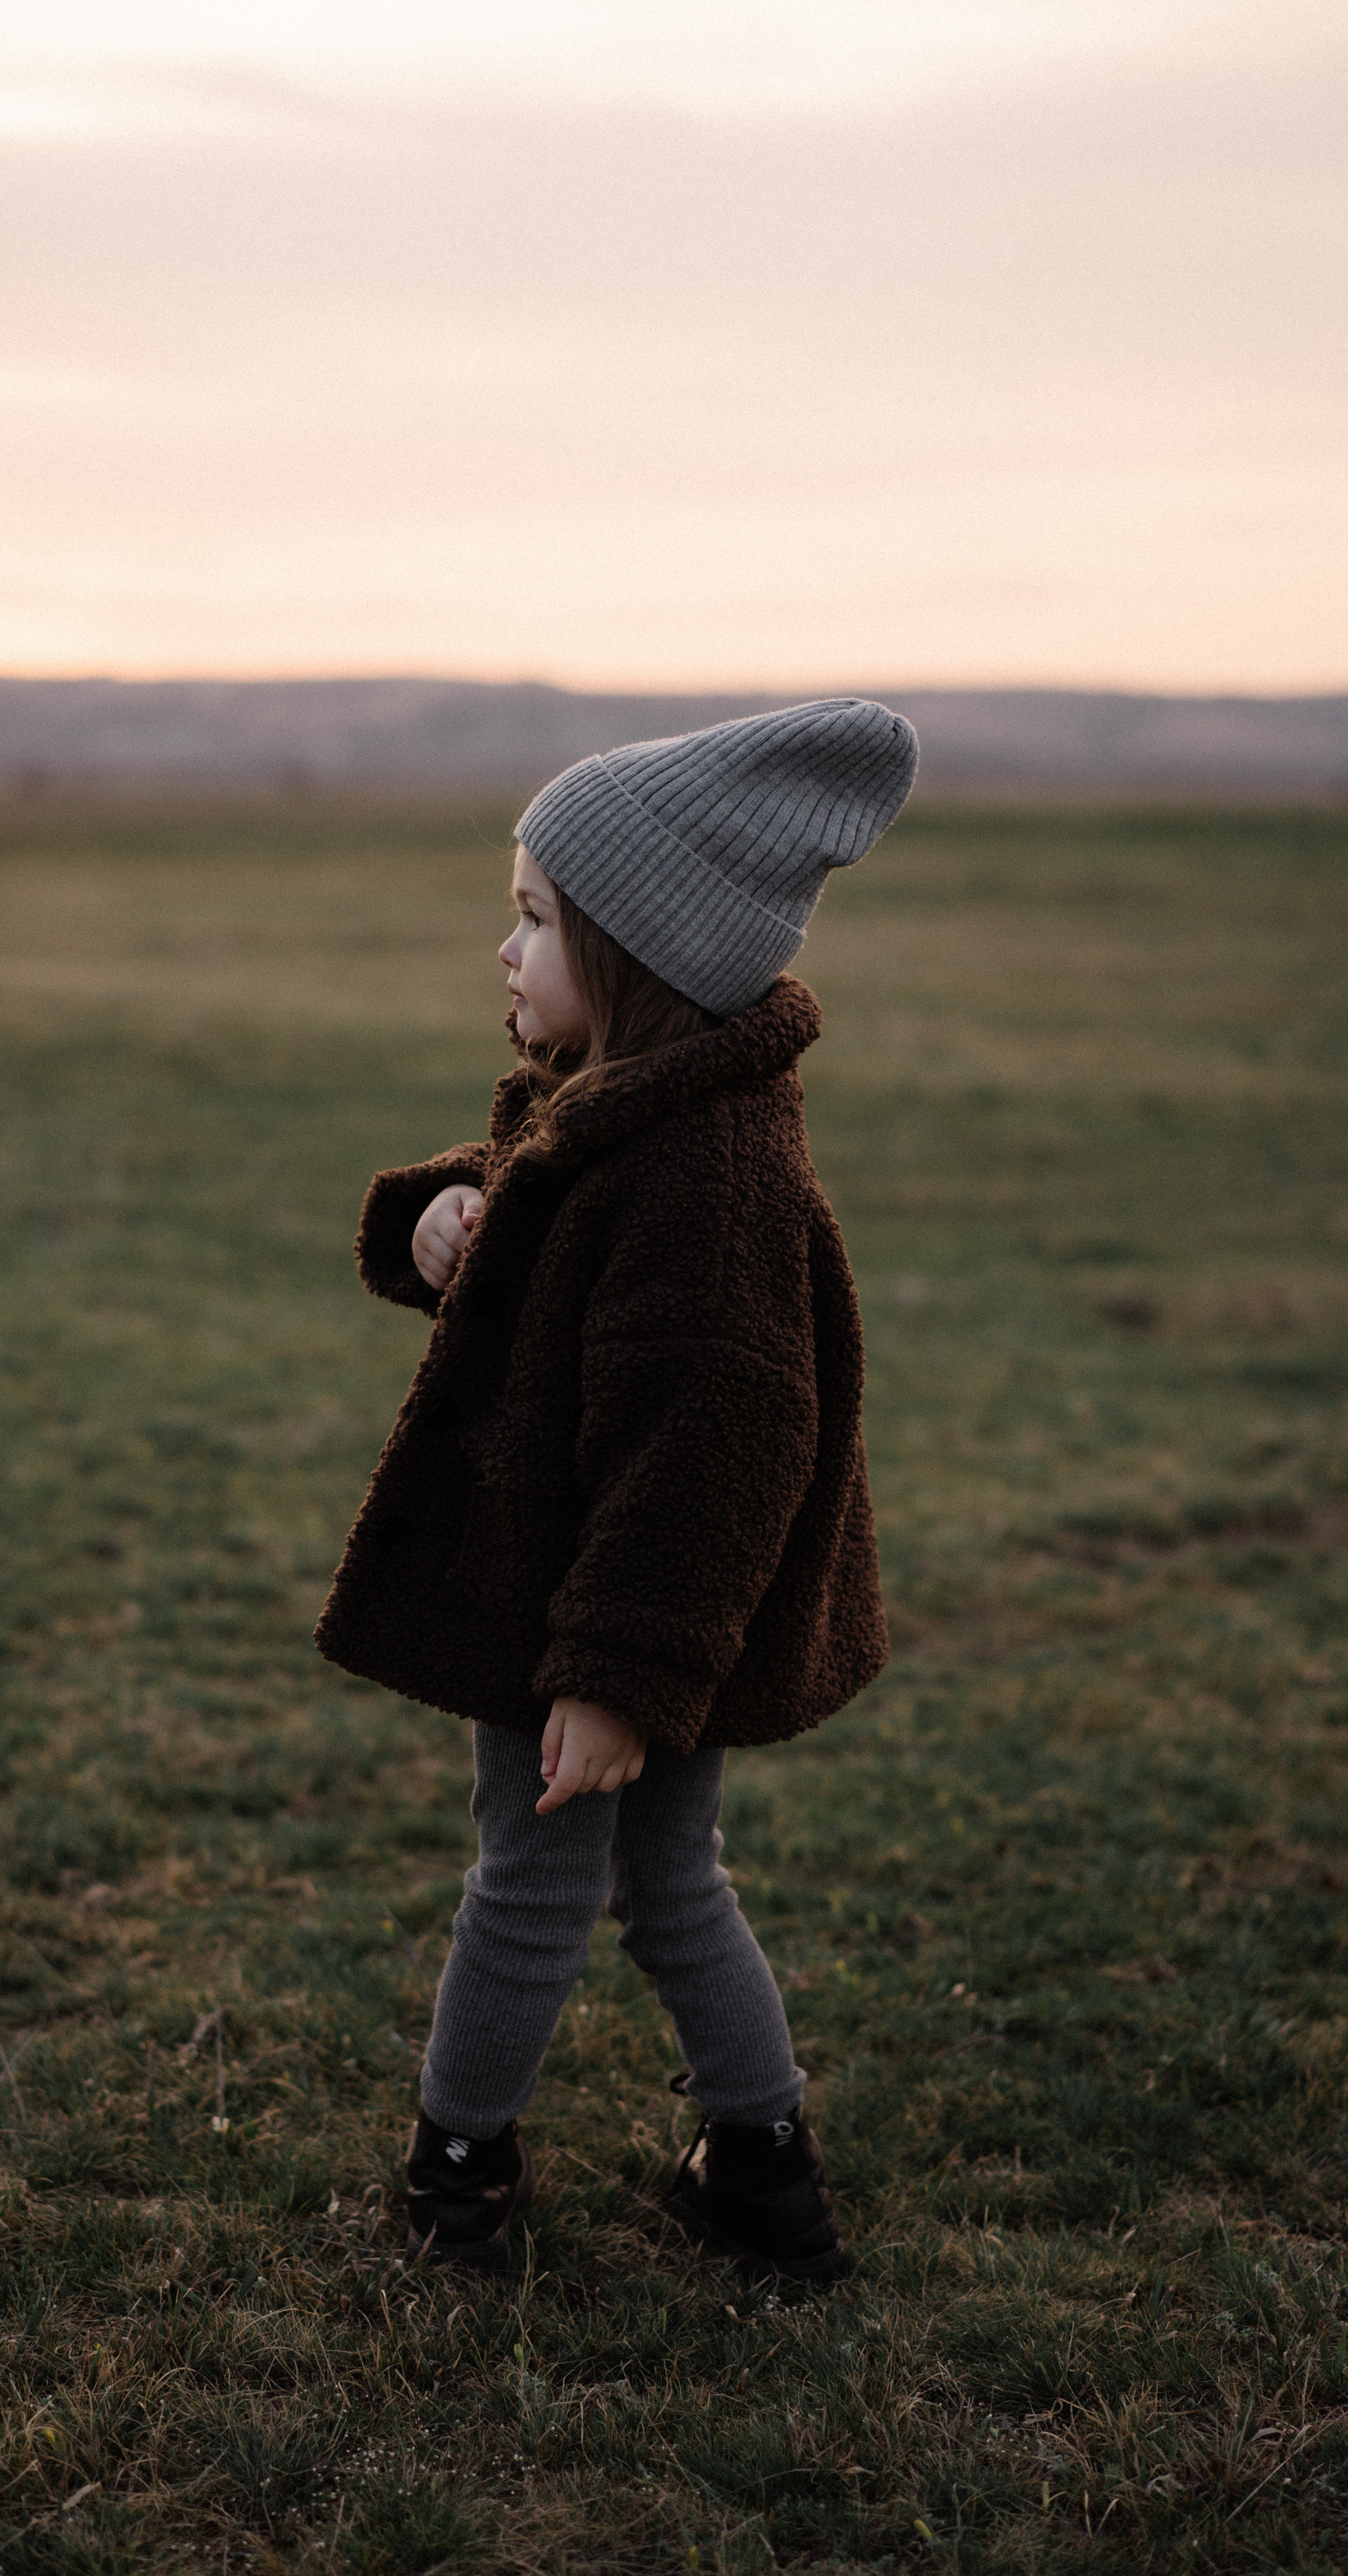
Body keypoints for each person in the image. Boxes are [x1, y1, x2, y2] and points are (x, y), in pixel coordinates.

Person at [314, 699, 920, 2285]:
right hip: (630, 1618)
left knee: (530, 1883)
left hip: (604, 1618)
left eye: (533, 919)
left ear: (638, 948)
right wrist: (446, 1220)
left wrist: (615, 1675)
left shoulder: (703, 1182)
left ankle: (460, 2182)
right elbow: (550, 1250)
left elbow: (715, 1452)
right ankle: (762, 2173)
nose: (503, 951)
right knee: (665, 1883)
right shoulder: (631, 1113)